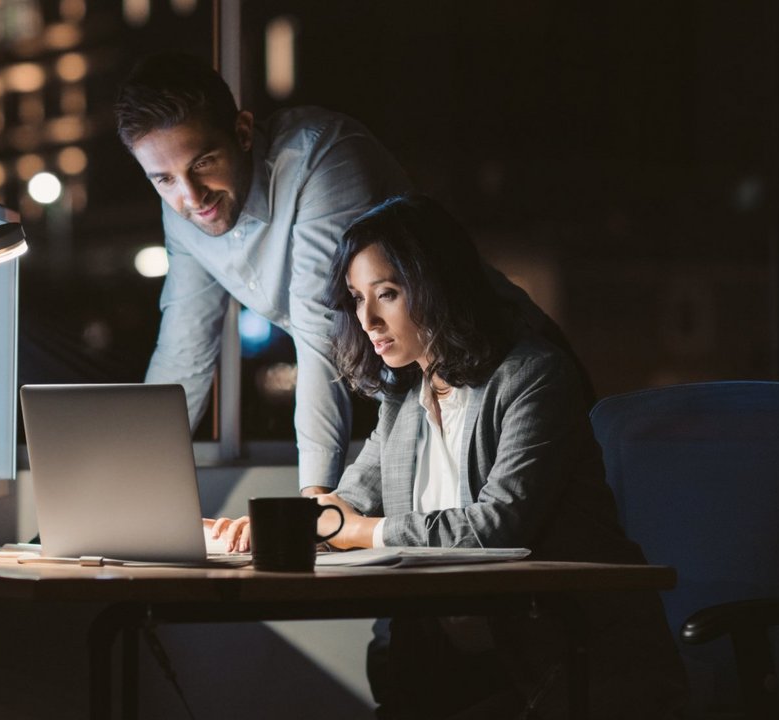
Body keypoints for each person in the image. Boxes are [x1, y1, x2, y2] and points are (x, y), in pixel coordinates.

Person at [212, 195, 687, 718]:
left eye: (387, 294)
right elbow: (349, 500)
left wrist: (361, 531)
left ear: (437, 286)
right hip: (450, 655)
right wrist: (272, 529)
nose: (367, 319)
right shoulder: (403, 398)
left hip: (554, 656)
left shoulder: (533, 376)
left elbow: (494, 528)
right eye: (355, 298)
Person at [115, 52, 569, 496]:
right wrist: (121, 498)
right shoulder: (183, 212)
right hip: (417, 393)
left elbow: (320, 333)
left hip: (501, 366)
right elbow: (183, 352)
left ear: (243, 132)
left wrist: (308, 510)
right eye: (164, 180)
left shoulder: (320, 156)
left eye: (202, 163)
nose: (191, 196)